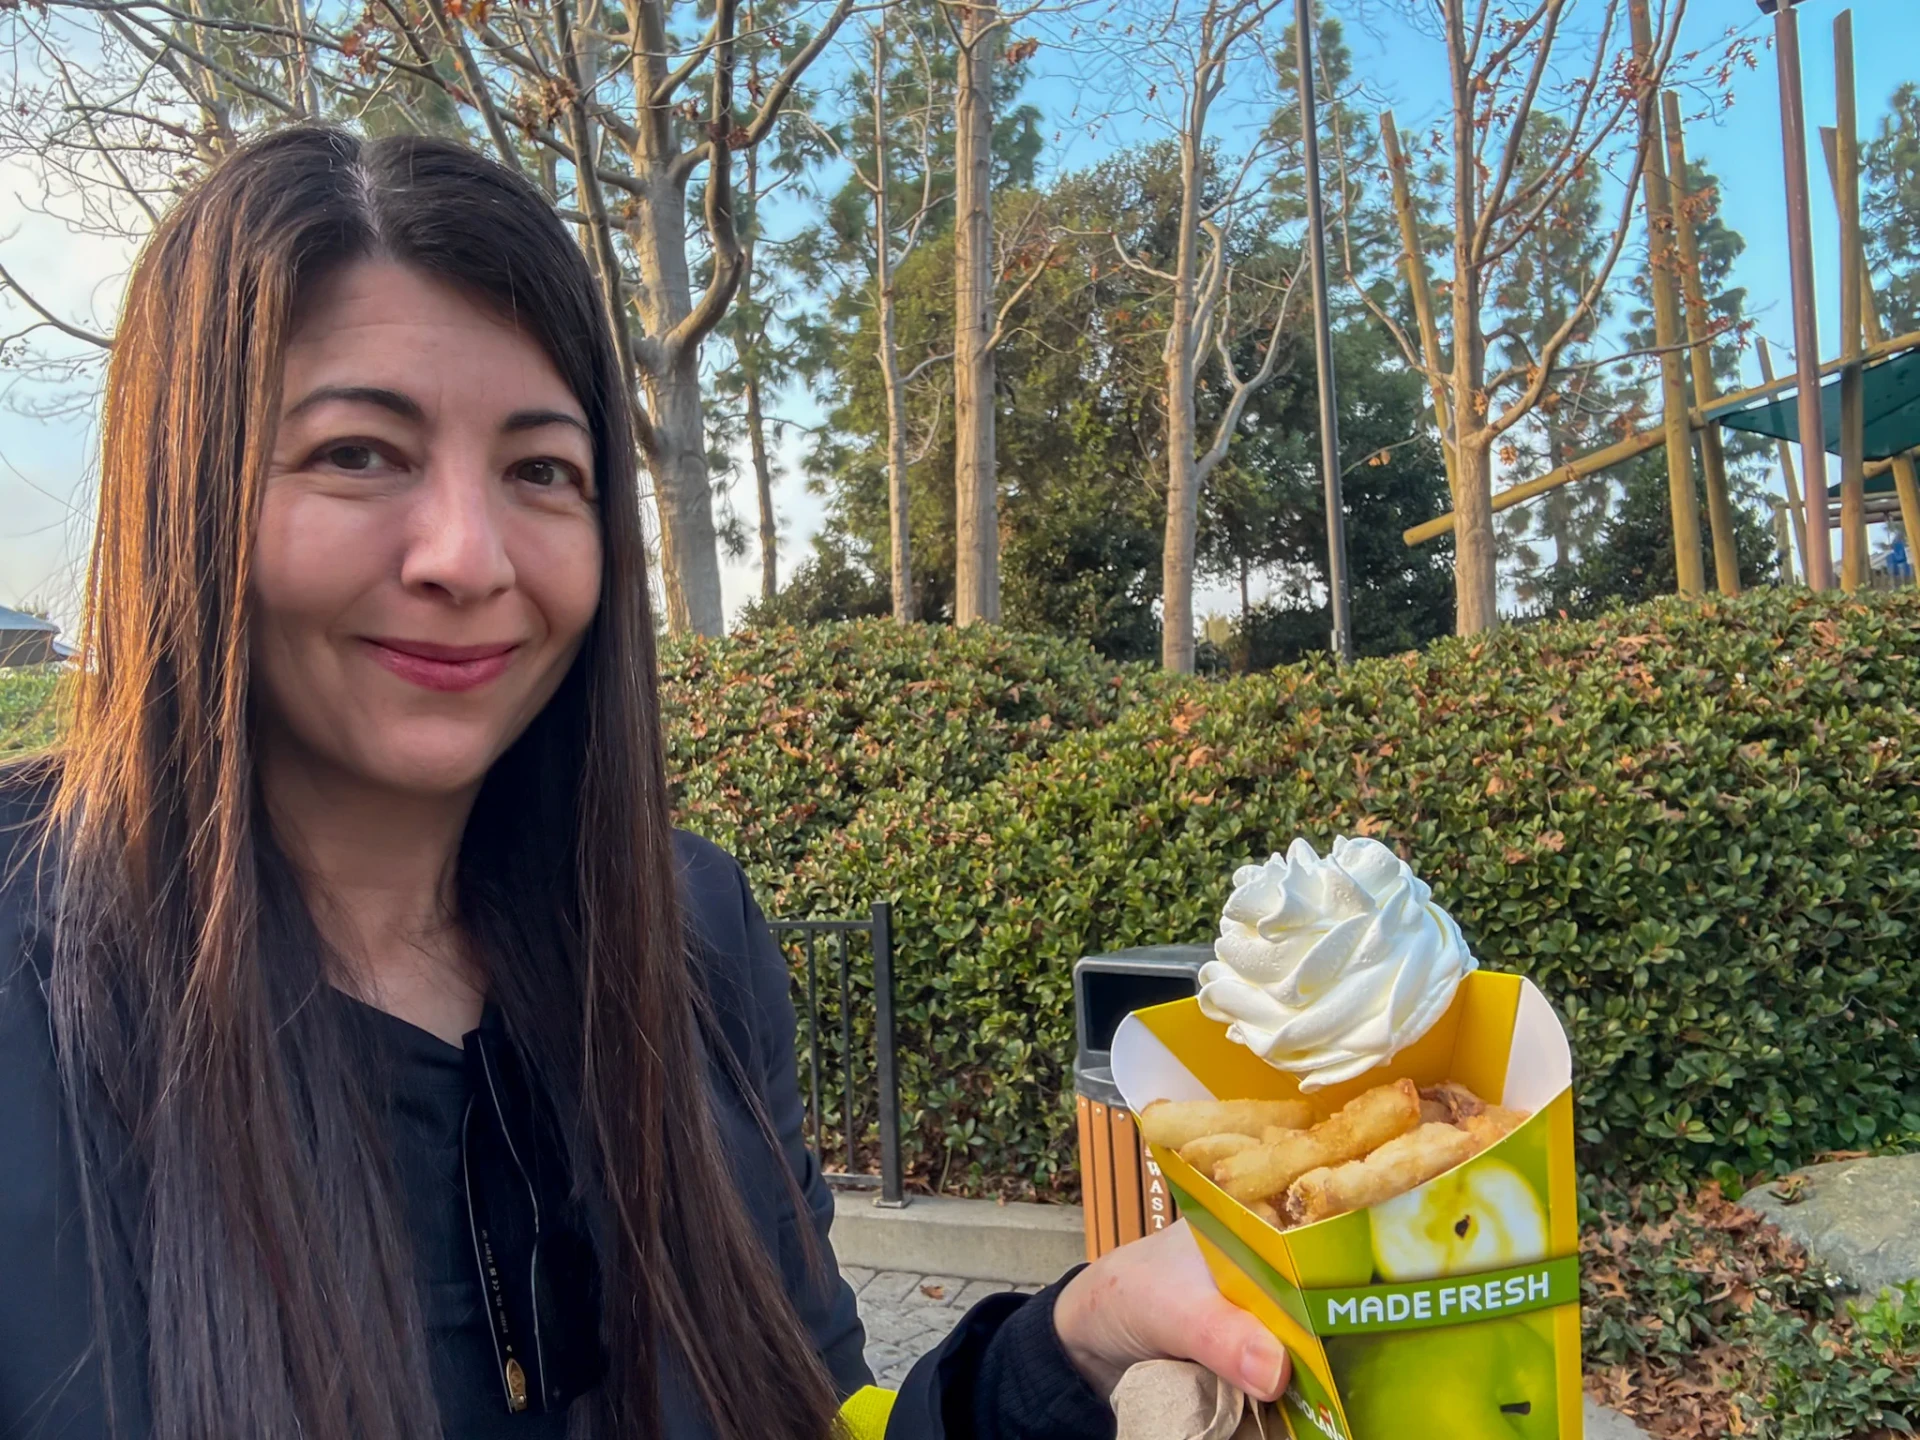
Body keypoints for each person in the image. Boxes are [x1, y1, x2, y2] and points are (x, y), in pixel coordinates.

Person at [0, 128, 1290, 1440]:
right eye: (357, 453)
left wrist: (1066, 1355)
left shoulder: (688, 934)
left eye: (541, 471)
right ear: (186, 488)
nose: (467, 553)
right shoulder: (24, 981)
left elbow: (813, 1406)